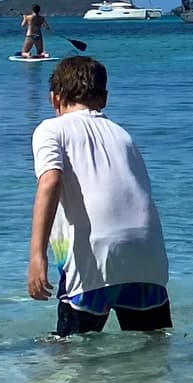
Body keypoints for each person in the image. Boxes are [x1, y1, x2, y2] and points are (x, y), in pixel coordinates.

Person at [27, 55, 171, 335]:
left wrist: (37, 255)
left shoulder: (50, 129)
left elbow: (50, 181)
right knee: (153, 347)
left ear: (54, 99)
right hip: (148, 256)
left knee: (68, 352)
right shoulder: (123, 135)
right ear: (104, 99)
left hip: (95, 259)